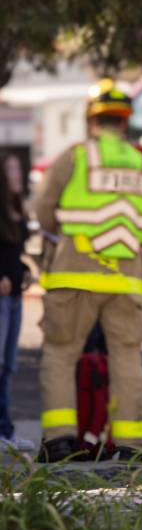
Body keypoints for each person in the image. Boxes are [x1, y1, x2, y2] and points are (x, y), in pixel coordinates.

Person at [31, 81, 142, 461]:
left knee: (61, 354)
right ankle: (130, 447)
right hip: (126, 278)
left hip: (74, 274)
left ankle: (60, 441)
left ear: (91, 120)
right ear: (125, 122)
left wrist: (61, 232)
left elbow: (43, 206)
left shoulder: (75, 157)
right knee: (127, 358)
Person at [0, 142, 29, 450]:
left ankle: (6, 432)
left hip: (15, 296)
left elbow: (14, 253)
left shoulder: (18, 210)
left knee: (9, 366)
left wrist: (24, 269)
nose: (17, 174)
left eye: (18, 169)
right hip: (1, 297)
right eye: (10, 170)